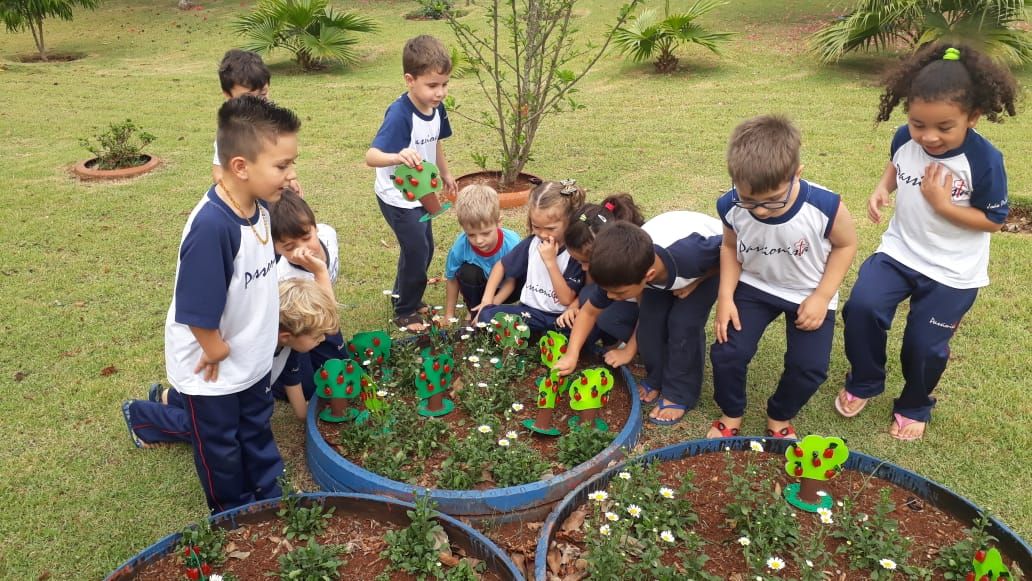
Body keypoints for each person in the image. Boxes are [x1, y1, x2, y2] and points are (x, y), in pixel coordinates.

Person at [127, 95, 299, 513]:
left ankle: (270, 494)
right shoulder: (212, 226)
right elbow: (196, 305)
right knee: (219, 444)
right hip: (214, 365)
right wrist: (215, 346)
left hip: (250, 358)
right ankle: (232, 510)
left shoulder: (258, 207)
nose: (291, 174)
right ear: (240, 166)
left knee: (256, 429)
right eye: (281, 166)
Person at [838, 44, 1018, 441]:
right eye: (919, 124)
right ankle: (865, 379)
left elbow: (992, 221)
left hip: (953, 272)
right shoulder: (906, 137)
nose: (928, 137)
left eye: (943, 127)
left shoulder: (985, 161)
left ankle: (915, 403)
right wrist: (881, 188)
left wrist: (942, 205)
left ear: (973, 117)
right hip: (900, 251)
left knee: (924, 345)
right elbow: (896, 164)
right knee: (863, 308)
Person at [708, 114, 858, 440]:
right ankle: (731, 411)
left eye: (771, 200)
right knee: (727, 352)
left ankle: (779, 415)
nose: (760, 210)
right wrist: (726, 298)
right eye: (749, 200)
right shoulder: (730, 206)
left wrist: (821, 297)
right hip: (756, 283)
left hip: (809, 290)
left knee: (809, 368)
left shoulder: (825, 206)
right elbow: (730, 248)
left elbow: (846, 246)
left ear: (797, 175)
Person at [123, 278, 338, 448]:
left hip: (224, 390)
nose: (322, 340)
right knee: (224, 434)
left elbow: (292, 374)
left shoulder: (287, 343)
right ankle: (142, 417)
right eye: (317, 337)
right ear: (285, 335)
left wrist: (305, 415)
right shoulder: (250, 348)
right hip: (216, 386)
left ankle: (168, 398)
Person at [555, 213, 722, 426]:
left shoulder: (690, 255)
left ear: (648, 276)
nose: (612, 297)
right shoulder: (620, 269)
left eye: (619, 292)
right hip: (666, 269)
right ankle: (656, 377)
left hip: (707, 268)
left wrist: (697, 281)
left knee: (683, 324)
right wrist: (572, 354)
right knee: (651, 319)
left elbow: (730, 249)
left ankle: (679, 394)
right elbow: (588, 312)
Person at [365, 35, 458, 331]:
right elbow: (371, 156)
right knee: (417, 248)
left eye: (444, 84)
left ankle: (402, 295)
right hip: (396, 196)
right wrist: (396, 156)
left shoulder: (436, 107)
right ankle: (405, 311)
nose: (440, 92)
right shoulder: (400, 115)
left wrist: (445, 173)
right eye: (432, 85)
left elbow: (436, 143)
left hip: (422, 192)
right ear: (409, 79)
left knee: (424, 247)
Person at [269, 189, 346, 419]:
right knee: (313, 388)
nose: (302, 249)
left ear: (315, 227)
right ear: (275, 248)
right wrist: (319, 271)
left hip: (319, 320)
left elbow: (328, 326)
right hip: (297, 331)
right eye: (289, 247)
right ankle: (276, 384)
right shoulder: (284, 278)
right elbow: (330, 326)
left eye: (306, 237)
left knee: (339, 372)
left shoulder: (328, 235)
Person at [476, 180, 586, 331]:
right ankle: (534, 338)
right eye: (536, 227)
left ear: (570, 221)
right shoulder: (532, 243)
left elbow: (566, 299)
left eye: (550, 228)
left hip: (559, 318)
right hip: (528, 314)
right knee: (488, 316)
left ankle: (535, 339)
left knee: (578, 331)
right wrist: (487, 301)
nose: (542, 234)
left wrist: (551, 263)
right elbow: (500, 266)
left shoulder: (574, 252)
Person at [556, 194, 647, 363]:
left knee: (607, 316)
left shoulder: (633, 263)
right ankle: (614, 341)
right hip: (629, 302)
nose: (583, 268)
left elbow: (649, 311)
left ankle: (642, 347)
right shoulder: (604, 256)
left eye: (585, 262)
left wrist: (630, 350)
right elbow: (591, 296)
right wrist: (574, 306)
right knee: (588, 296)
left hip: (654, 308)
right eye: (577, 261)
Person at [443, 184, 522, 323]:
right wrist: (449, 315)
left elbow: (512, 281)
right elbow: (451, 279)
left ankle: (485, 310)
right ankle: (473, 309)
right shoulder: (460, 246)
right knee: (468, 272)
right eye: (471, 235)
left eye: (486, 233)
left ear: (499, 223)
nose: (479, 240)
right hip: (479, 287)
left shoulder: (512, 243)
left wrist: (490, 307)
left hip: (508, 288)